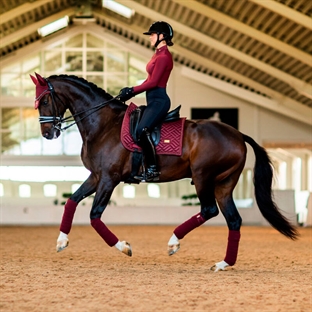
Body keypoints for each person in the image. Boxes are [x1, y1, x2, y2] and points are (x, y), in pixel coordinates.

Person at [119, 21, 174, 182]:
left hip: (159, 101)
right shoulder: (157, 54)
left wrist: (133, 90)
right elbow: (148, 80)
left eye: (152, 34)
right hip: (152, 100)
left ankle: (152, 169)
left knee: (142, 130)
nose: (150, 37)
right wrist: (130, 93)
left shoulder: (164, 56)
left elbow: (154, 82)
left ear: (162, 36)